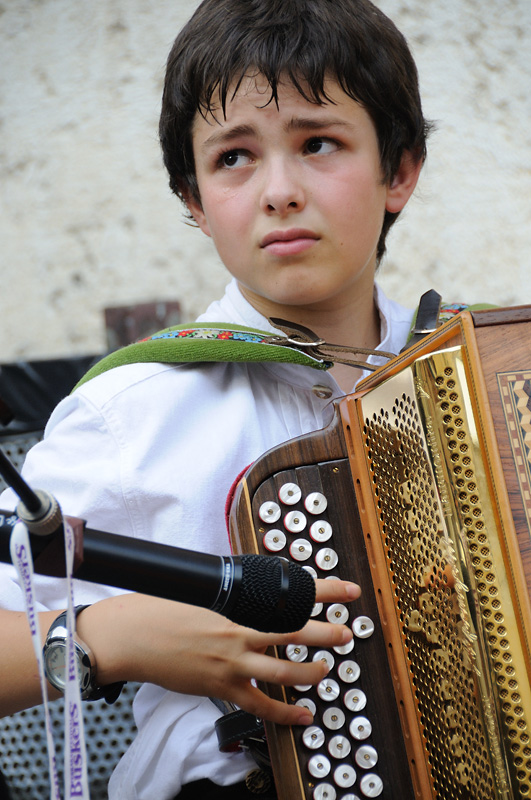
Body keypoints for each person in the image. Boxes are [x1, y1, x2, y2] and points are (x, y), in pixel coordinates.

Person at [0, 0, 431, 797]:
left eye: (318, 143)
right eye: (233, 157)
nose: (278, 191)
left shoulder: (482, 380)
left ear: (397, 169)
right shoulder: (136, 408)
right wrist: (106, 637)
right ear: (193, 199)